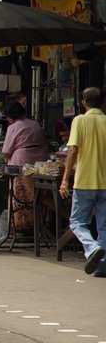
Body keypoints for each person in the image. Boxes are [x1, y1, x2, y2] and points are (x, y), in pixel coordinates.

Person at [60, 87, 106, 277]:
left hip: (84, 181)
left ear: (83, 103)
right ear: (103, 103)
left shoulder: (79, 120)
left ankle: (91, 247)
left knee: (77, 222)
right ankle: (102, 267)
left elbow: (72, 150)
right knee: (104, 226)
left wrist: (64, 179)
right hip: (105, 183)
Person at [1, 100, 49, 246]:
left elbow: (6, 151)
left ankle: (19, 227)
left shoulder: (14, 127)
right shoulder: (35, 124)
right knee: (39, 196)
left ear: (10, 115)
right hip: (40, 161)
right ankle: (41, 227)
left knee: (19, 195)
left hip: (21, 161)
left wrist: (6, 158)